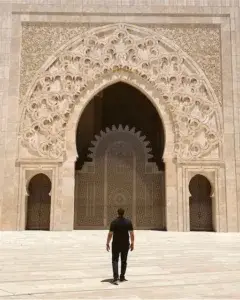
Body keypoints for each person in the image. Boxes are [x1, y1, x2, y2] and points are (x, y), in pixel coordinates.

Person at [106, 208, 134, 285]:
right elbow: (131, 233)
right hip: (125, 244)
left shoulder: (114, 222)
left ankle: (115, 278)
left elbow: (110, 234)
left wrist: (107, 243)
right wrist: (132, 243)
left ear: (117, 213)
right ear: (123, 213)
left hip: (116, 244)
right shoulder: (128, 222)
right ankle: (122, 277)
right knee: (124, 260)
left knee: (115, 260)